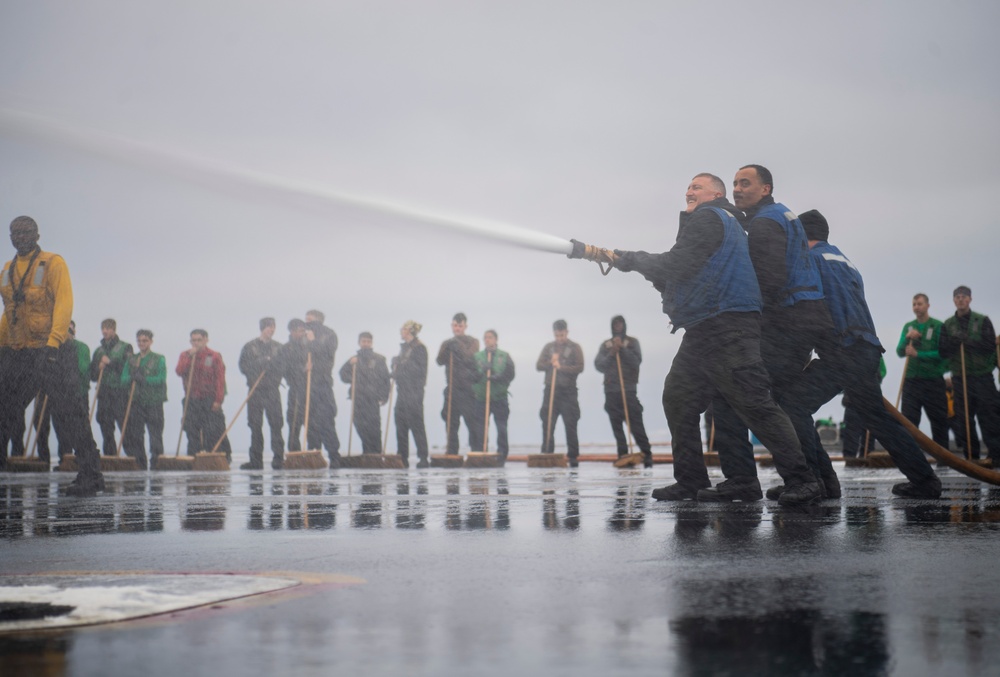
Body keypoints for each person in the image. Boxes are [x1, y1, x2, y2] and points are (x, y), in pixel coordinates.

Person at [571, 173, 822, 505]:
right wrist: (631, 265)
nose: (688, 191)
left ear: (715, 193)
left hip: (728, 327)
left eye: (696, 187)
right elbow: (681, 274)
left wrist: (621, 258)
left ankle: (803, 480)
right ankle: (692, 480)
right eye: (687, 187)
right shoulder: (719, 222)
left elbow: (677, 264)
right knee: (678, 398)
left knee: (756, 405)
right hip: (704, 329)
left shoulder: (710, 217)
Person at [778, 210, 941, 498]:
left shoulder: (810, 261)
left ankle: (814, 481)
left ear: (803, 235)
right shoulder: (846, 262)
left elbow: (807, 308)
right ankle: (925, 480)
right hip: (866, 349)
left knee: (793, 405)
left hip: (843, 350)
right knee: (877, 418)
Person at [703, 164, 836, 501]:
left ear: (766, 188)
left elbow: (768, 281)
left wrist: (743, 319)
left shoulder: (764, 224)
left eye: (745, 183)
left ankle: (751, 480)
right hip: (804, 323)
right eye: (734, 183)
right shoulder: (779, 215)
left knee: (735, 392)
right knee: (784, 404)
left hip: (787, 324)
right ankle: (820, 481)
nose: (737, 189)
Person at [0, 216, 103, 494]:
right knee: (5, 410)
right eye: (14, 233)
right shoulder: (7, 270)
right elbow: (9, 313)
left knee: (71, 415)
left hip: (53, 351)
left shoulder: (53, 263)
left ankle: (91, 474)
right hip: (19, 353)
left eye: (25, 232)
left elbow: (64, 302)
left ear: (37, 234)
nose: (20, 237)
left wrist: (54, 341)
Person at [939, 286, 1000, 465]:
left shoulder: (982, 320)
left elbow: (990, 346)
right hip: (960, 376)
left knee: (988, 416)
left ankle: (996, 455)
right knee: (964, 417)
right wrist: (954, 342)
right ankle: (970, 455)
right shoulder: (948, 324)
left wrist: (969, 342)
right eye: (957, 297)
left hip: (982, 376)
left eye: (963, 297)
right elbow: (943, 351)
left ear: (970, 299)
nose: (960, 300)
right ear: (954, 301)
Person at [594, 315, 652, 468]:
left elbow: (636, 362)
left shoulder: (632, 343)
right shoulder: (606, 345)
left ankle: (647, 454)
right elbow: (599, 366)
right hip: (611, 391)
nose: (618, 327)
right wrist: (612, 352)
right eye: (615, 325)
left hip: (628, 390)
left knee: (636, 423)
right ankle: (622, 455)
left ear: (624, 326)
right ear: (612, 326)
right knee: (617, 426)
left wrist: (623, 349)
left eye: (620, 325)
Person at [896, 294, 950, 450]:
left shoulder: (938, 326)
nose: (916, 307)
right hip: (912, 380)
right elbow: (900, 351)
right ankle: (911, 455)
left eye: (919, 304)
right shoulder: (909, 326)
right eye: (914, 304)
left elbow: (943, 354)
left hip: (933, 380)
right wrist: (907, 339)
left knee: (939, 420)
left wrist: (919, 355)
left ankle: (943, 456)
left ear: (927, 305)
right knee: (909, 420)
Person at [34, 319, 90, 464]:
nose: (67, 334)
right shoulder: (53, 348)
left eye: (70, 331)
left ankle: (78, 459)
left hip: (74, 394)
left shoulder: (79, 347)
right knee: (58, 427)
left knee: (75, 427)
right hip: (55, 393)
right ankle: (58, 458)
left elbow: (81, 370)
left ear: (74, 332)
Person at [536, 319, 585, 467]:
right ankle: (547, 452)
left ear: (567, 332)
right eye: (557, 335)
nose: (559, 338)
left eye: (562, 335)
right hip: (551, 390)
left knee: (570, 423)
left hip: (568, 392)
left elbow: (579, 367)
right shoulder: (549, 347)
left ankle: (573, 455)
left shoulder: (575, 347)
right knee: (548, 422)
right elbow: (539, 365)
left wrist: (561, 366)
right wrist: (550, 363)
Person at [175, 329, 230, 459]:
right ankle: (193, 457)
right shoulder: (185, 355)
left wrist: (218, 399)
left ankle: (216, 458)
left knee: (212, 431)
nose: (196, 343)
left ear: (206, 340)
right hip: (191, 399)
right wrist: (189, 356)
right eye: (193, 340)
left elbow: (220, 380)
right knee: (191, 430)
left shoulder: (214, 356)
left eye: (199, 340)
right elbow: (179, 371)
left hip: (209, 399)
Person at [238, 317, 285, 470]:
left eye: (273, 327)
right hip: (255, 390)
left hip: (272, 390)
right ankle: (256, 460)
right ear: (262, 328)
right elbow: (243, 366)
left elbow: (284, 366)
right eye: (268, 327)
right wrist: (259, 363)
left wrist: (272, 366)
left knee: (276, 425)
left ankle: (278, 459)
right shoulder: (250, 347)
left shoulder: (279, 347)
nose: (271, 330)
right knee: (255, 425)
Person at [436, 312, 482, 454]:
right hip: (452, 388)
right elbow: (440, 361)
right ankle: (452, 451)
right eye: (455, 326)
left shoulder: (473, 341)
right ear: (452, 326)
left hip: (467, 389)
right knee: (451, 423)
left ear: (465, 326)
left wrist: (458, 346)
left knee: (472, 422)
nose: (457, 329)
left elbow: (470, 357)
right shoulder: (447, 343)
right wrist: (448, 347)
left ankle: (476, 451)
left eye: (460, 326)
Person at [121, 328, 167, 469]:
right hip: (136, 402)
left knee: (155, 434)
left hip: (153, 402)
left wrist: (144, 379)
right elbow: (123, 379)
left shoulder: (159, 358)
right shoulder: (132, 359)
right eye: (139, 341)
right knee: (136, 434)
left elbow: (161, 378)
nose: (142, 343)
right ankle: (140, 462)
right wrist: (132, 377)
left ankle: (156, 462)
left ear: (151, 342)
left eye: (145, 341)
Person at [89, 318, 134, 456]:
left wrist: (110, 362)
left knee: (124, 425)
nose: (105, 331)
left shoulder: (125, 347)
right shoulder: (98, 351)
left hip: (119, 392)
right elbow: (92, 375)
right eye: (103, 328)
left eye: (108, 328)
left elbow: (128, 369)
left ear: (114, 330)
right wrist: (98, 367)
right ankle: (110, 455)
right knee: (105, 426)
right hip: (104, 393)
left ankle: (133, 457)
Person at [340, 332, 390, 454]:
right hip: (358, 397)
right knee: (359, 424)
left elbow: (385, 378)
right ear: (359, 342)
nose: (366, 344)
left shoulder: (379, 359)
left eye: (368, 341)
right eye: (364, 341)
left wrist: (384, 396)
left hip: (373, 397)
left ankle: (376, 453)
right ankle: (367, 451)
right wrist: (349, 365)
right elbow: (343, 375)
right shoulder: (354, 360)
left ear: (371, 343)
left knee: (374, 426)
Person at [304, 309, 340, 466]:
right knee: (310, 421)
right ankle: (314, 454)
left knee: (326, 419)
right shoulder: (304, 334)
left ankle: (334, 455)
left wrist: (313, 342)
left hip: (323, 382)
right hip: (307, 383)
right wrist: (303, 367)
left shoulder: (329, 334)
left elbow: (327, 353)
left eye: (310, 319)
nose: (307, 322)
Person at [474, 329, 516, 463]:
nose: (487, 340)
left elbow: (511, 374)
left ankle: (502, 453)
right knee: (481, 428)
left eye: (490, 337)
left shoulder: (504, 356)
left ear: (496, 339)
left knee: (501, 427)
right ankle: (482, 451)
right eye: (485, 338)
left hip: (499, 397)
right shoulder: (478, 357)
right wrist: (482, 372)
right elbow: (471, 375)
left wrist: (499, 377)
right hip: (482, 398)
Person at [393, 320, 429, 468]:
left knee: (416, 424)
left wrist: (402, 365)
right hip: (402, 391)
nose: (401, 331)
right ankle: (402, 456)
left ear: (409, 331)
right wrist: (394, 368)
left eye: (403, 329)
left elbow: (418, 370)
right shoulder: (404, 349)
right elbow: (401, 371)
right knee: (400, 424)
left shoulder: (419, 348)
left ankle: (423, 456)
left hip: (414, 392)